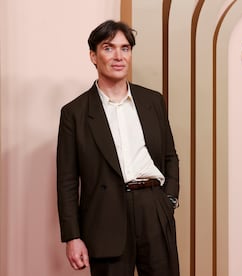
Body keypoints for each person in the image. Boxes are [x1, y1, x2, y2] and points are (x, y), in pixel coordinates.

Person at [57, 20, 180, 276]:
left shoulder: (153, 101)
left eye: (125, 48)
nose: (118, 56)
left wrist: (168, 200)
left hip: (153, 208)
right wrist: (72, 236)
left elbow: (170, 156)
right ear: (93, 55)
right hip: (105, 215)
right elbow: (67, 181)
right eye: (108, 48)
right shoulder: (75, 113)